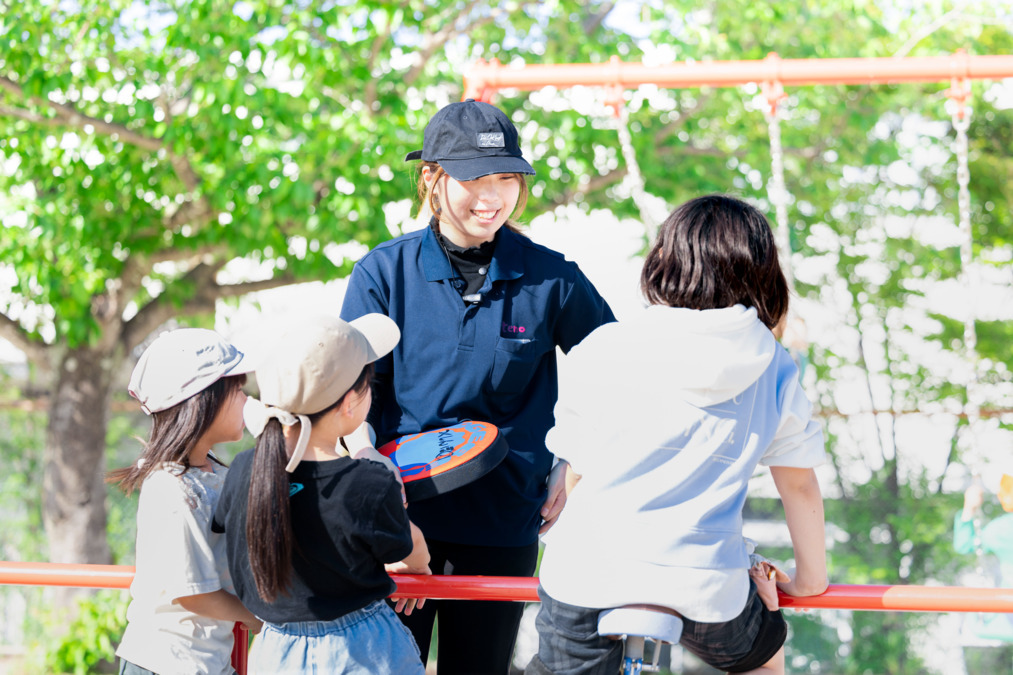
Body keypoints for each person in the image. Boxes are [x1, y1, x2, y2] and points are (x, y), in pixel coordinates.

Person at [339, 98, 616, 673]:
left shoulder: (552, 278)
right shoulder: (382, 273)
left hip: (503, 525)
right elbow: (347, 388)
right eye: (474, 178)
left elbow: (621, 372)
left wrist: (575, 461)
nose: (492, 196)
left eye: (506, 178)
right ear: (431, 179)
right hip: (398, 523)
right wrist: (363, 454)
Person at [528, 194, 829, 675]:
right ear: (760, 270)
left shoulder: (606, 346)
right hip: (706, 585)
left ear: (665, 259)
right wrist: (810, 581)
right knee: (763, 659)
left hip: (590, 571)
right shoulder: (774, 365)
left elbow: (576, 472)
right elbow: (798, 484)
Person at [211, 313, 431, 675]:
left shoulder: (244, 470)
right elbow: (412, 546)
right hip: (363, 651)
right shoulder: (369, 482)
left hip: (274, 651)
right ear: (349, 402)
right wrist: (418, 565)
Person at [110, 328, 263, 675]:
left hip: (202, 661)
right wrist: (253, 616)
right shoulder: (170, 487)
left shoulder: (213, 474)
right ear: (203, 400)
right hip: (164, 662)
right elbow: (191, 593)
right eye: (237, 390)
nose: (246, 399)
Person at [953, 474, 1013, 646]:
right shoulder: (1002, 529)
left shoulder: (1002, 529)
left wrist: (969, 508)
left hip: (1009, 607)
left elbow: (964, 544)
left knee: (978, 624)